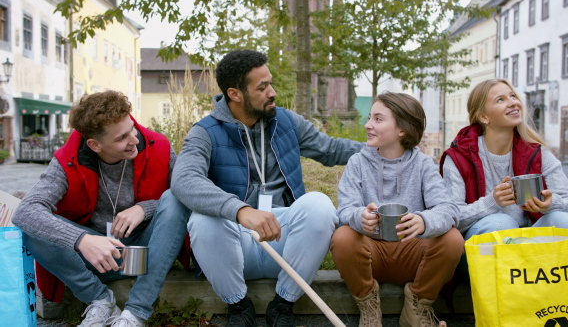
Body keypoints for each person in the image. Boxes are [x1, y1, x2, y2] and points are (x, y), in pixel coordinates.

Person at [171, 49, 363, 327]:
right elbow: (184, 180)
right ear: (235, 94)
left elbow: (331, 149)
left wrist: (380, 148)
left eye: (270, 83)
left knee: (319, 204)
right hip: (235, 246)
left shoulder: (286, 121)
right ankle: (239, 307)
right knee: (203, 219)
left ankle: (283, 305)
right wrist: (240, 210)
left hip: (284, 242)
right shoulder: (205, 132)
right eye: (262, 87)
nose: (272, 92)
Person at [12, 91, 191, 327]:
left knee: (174, 198)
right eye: (121, 138)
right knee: (32, 226)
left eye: (132, 128)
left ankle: (135, 313)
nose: (134, 139)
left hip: (150, 251)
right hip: (96, 258)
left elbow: (187, 195)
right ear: (95, 145)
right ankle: (101, 301)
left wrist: (144, 209)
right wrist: (82, 240)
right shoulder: (68, 159)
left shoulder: (158, 146)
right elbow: (25, 211)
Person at [330, 92, 463, 327]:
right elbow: (345, 210)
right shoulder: (357, 163)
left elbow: (448, 209)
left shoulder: (423, 164)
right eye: (370, 118)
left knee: (452, 239)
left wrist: (424, 220)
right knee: (343, 237)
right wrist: (359, 217)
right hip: (371, 256)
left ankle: (417, 308)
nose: (368, 125)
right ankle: (369, 307)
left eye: (378, 119)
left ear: (402, 129)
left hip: (412, 253)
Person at [440, 79, 568, 278]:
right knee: (501, 223)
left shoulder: (537, 154)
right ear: (483, 116)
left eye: (513, 96)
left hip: (527, 252)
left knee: (563, 221)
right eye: (501, 100)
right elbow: (448, 218)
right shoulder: (459, 157)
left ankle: (553, 292)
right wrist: (492, 202)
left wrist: (551, 203)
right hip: (478, 254)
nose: (513, 102)